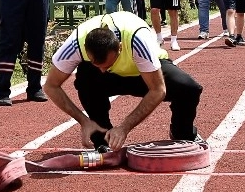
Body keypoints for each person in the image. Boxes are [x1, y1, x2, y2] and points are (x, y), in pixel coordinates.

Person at [44, 11, 205, 150]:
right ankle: (102, 136)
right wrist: (84, 121)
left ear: (119, 47)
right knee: (86, 75)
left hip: (144, 73)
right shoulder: (75, 43)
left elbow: (158, 90)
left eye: (108, 64)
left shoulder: (137, 39)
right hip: (109, 81)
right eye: (97, 64)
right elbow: (51, 86)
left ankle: (182, 133)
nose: (103, 70)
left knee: (189, 88)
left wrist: (124, 127)